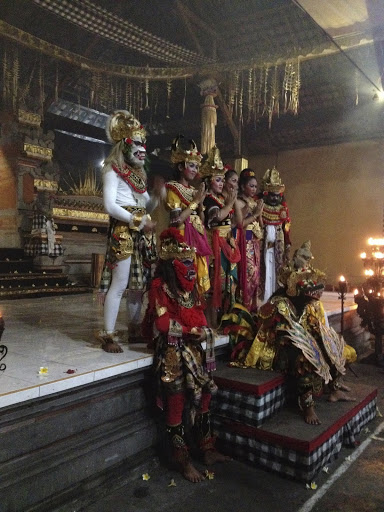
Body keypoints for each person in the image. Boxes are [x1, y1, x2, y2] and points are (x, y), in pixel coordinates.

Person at [143, 228, 230, 482]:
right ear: (171, 264)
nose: (190, 267)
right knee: (177, 402)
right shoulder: (160, 287)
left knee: (204, 397)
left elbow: (202, 317)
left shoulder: (192, 290)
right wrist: (187, 330)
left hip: (193, 348)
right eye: (185, 262)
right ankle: (181, 460)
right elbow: (160, 324)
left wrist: (203, 332)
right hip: (171, 351)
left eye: (191, 262)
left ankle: (207, 449)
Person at [243, 241, 353, 425]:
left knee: (332, 343)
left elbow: (314, 323)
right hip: (285, 344)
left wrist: (321, 337)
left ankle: (334, 389)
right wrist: (305, 340)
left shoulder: (308, 302)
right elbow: (281, 332)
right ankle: (308, 406)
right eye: (304, 282)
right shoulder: (280, 301)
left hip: (304, 336)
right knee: (305, 357)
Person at [97, 110, 161, 353]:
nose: (142, 148)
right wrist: (139, 221)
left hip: (139, 231)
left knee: (138, 284)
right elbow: (110, 206)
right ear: (125, 145)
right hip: (123, 230)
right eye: (137, 143)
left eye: (144, 143)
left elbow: (146, 204)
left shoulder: (137, 175)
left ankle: (134, 329)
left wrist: (157, 195)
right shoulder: (112, 170)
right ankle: (108, 335)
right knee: (121, 283)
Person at [165, 136, 211, 296]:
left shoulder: (193, 190)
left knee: (199, 282)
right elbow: (175, 221)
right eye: (191, 165)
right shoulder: (173, 189)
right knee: (184, 282)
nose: (195, 170)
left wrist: (201, 205)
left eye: (197, 167)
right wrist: (195, 202)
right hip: (183, 241)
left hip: (198, 239)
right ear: (180, 167)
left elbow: (202, 221)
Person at [201, 147, 242, 326]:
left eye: (221, 179)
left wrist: (233, 203)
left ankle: (220, 321)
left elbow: (234, 223)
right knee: (213, 287)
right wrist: (231, 203)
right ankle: (210, 323)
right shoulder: (209, 199)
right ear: (210, 181)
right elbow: (217, 217)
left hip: (226, 246)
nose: (221, 183)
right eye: (218, 180)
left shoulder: (221, 199)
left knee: (226, 286)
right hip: (214, 247)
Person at [258, 166, 291, 304]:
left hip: (278, 250)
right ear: (266, 194)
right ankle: (263, 303)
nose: (274, 198)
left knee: (276, 276)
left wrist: (288, 245)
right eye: (272, 195)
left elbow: (286, 230)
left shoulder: (283, 210)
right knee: (264, 276)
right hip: (262, 249)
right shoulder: (260, 208)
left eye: (277, 196)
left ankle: (276, 302)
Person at [236, 168, 263, 313]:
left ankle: (254, 305)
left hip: (255, 239)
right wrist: (256, 214)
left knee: (256, 273)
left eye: (255, 186)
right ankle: (245, 305)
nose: (254, 189)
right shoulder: (239, 202)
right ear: (242, 186)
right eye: (251, 186)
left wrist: (259, 215)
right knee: (249, 271)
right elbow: (241, 224)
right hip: (246, 238)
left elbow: (261, 224)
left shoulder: (254, 202)